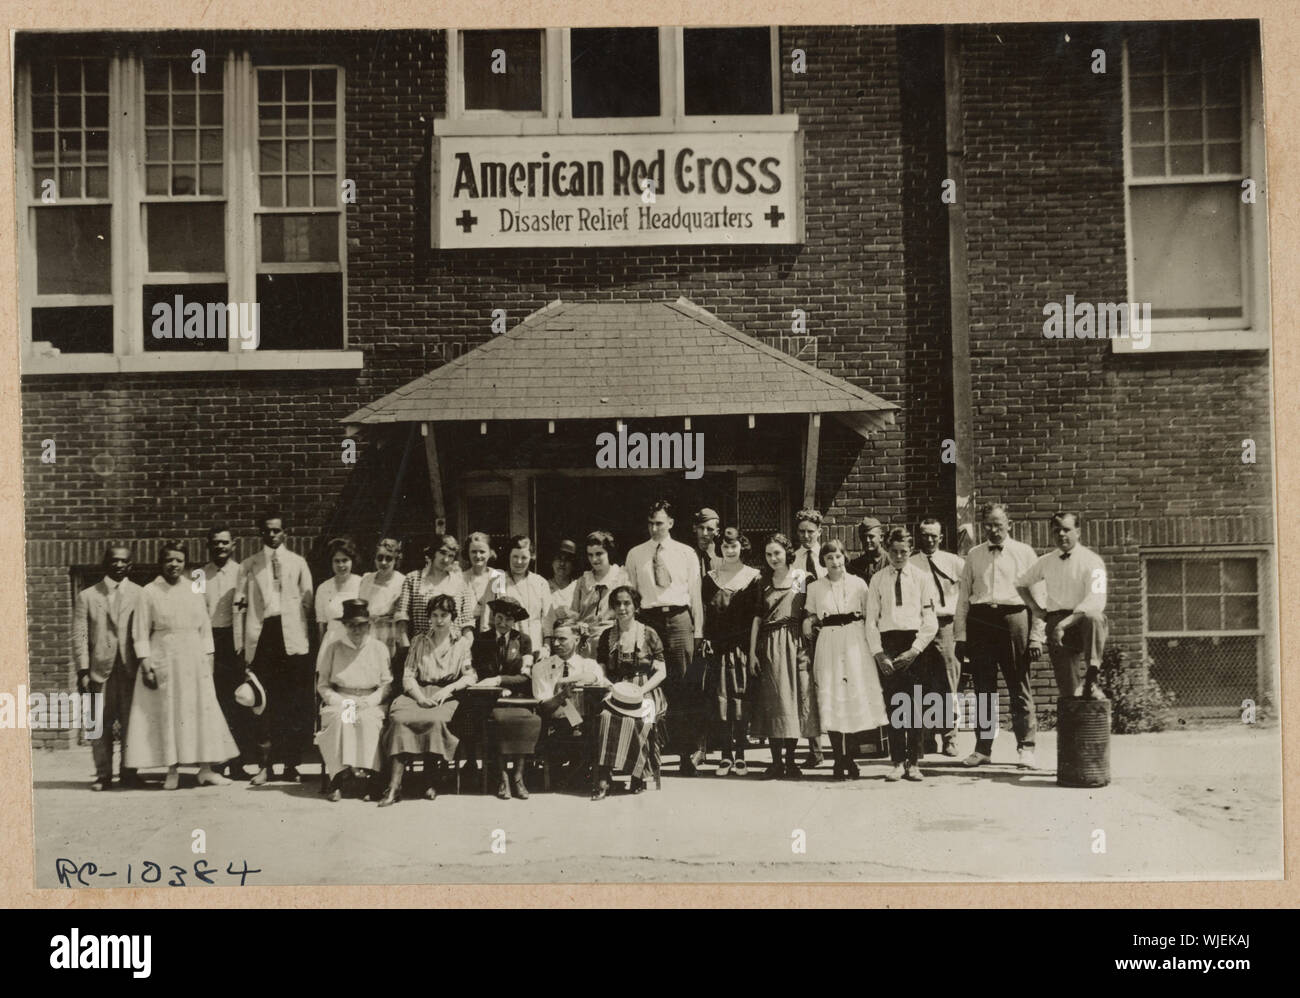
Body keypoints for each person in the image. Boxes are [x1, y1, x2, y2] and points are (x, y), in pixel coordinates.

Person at [125, 540, 239, 789]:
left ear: (185, 563)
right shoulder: (149, 591)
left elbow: (205, 628)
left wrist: (208, 660)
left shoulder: (195, 589)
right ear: (161, 563)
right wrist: (145, 664)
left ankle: (205, 769)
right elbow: (140, 632)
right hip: (163, 657)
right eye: (168, 560)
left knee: (199, 712)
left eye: (178, 560)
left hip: (194, 659)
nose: (173, 565)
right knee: (170, 712)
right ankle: (172, 769)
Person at [954, 502, 1045, 769]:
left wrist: (1037, 636)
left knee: (1019, 685)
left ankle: (1026, 748)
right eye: (988, 525)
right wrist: (961, 635)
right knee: (984, 687)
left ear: (1009, 525)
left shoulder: (1025, 553)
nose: (993, 530)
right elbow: (963, 599)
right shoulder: (974, 554)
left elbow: (1039, 597)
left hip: (1014, 620)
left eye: (998, 524)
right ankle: (983, 749)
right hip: (981, 621)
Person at [625, 499, 705, 775]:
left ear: (670, 523)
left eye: (659, 523)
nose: (654, 528)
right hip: (649, 620)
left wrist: (698, 632)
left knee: (683, 686)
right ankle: (647, 757)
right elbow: (632, 596)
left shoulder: (686, 553)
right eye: (650, 523)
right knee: (648, 685)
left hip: (680, 619)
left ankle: (686, 754)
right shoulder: (636, 554)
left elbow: (695, 596)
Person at [234, 511, 314, 785]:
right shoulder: (249, 565)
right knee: (262, 704)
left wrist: (305, 640)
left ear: (285, 533)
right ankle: (265, 765)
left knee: (293, 703)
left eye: (277, 530)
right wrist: (241, 646)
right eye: (267, 530)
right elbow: (240, 608)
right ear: (261, 534)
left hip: (292, 637)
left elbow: (308, 605)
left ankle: (291, 764)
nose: (272, 535)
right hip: (263, 636)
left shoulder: (298, 563)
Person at [378, 593, 477, 806]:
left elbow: (470, 676)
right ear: (429, 617)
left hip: (444, 695)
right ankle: (394, 786)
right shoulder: (418, 641)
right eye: (434, 615)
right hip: (416, 692)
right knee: (400, 720)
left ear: (453, 617)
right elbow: (408, 676)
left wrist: (448, 690)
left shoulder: (461, 644)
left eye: (444, 615)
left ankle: (430, 780)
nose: (439, 620)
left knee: (436, 720)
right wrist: (420, 697)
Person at [804, 539, 890, 780]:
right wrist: (807, 621)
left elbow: (871, 614)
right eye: (829, 558)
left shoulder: (859, 584)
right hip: (829, 640)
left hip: (854, 640)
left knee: (852, 699)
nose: (834, 562)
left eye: (838, 557)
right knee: (832, 698)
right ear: (823, 561)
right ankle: (838, 759)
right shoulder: (815, 587)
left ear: (845, 558)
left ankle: (849, 757)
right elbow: (810, 613)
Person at [865, 527, 941, 782]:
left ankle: (915, 762)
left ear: (911, 551)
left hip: (915, 645)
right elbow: (871, 621)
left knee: (916, 705)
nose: (898, 556)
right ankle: (897, 761)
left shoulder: (921, 578)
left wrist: (915, 650)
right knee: (896, 704)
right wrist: (879, 653)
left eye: (904, 552)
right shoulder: (877, 579)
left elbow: (931, 621)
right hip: (889, 645)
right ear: (887, 549)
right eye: (894, 551)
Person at [1015, 511, 1109, 702]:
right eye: (1056, 530)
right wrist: (1036, 609)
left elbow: (1096, 600)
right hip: (1056, 621)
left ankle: (1092, 673)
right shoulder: (1046, 561)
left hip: (1082, 621)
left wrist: (1063, 625)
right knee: (1069, 692)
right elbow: (1021, 583)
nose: (1061, 534)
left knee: (1095, 617)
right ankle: (1074, 721)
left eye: (1066, 529)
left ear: (1078, 532)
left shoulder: (1092, 560)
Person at [73, 543, 143, 791]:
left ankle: (129, 772)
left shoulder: (140, 594)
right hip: (98, 671)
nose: (119, 565)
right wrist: (82, 671)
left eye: (124, 561)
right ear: (106, 564)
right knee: (97, 724)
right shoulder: (88, 596)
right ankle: (103, 775)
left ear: (130, 565)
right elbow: (80, 636)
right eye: (114, 560)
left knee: (130, 723)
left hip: (130, 670)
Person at [747, 533, 818, 779]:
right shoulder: (762, 581)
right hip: (770, 646)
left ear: (787, 552)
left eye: (777, 552)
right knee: (774, 702)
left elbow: (811, 610)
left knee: (795, 702)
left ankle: (791, 761)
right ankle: (776, 762)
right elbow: (756, 619)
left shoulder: (802, 578)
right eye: (768, 554)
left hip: (796, 642)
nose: (773, 558)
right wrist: (752, 653)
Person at [592, 586, 668, 800]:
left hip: (646, 688)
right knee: (606, 717)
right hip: (617, 688)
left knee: (640, 719)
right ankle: (604, 778)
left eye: (627, 603)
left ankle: (638, 775)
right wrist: (607, 683)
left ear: (635, 606)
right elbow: (601, 668)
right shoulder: (608, 635)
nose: (622, 608)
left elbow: (661, 671)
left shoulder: (648, 633)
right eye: (618, 604)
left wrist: (642, 690)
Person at [471, 595, 542, 800]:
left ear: (515, 621)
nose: (503, 623)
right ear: (493, 617)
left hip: (517, 697)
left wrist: (501, 680)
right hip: (490, 699)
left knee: (527, 721)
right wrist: (494, 686)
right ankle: (503, 777)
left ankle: (518, 776)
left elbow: (525, 675)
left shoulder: (524, 641)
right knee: (499, 721)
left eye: (508, 620)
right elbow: (479, 672)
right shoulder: (481, 640)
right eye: (499, 617)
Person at [701, 527, 759, 776]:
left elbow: (757, 616)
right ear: (720, 548)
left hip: (743, 649)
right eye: (725, 546)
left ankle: (741, 754)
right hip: (719, 649)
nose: (730, 550)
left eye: (734, 545)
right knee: (721, 701)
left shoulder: (752, 576)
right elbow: (705, 612)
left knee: (741, 700)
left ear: (741, 547)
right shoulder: (710, 577)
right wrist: (706, 638)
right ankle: (725, 755)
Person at [200, 526, 254, 779]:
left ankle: (239, 762)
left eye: (224, 543)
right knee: (214, 703)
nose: (220, 547)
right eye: (215, 543)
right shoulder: (199, 575)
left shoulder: (242, 572)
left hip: (235, 641)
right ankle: (217, 761)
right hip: (209, 642)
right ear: (208, 545)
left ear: (234, 544)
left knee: (239, 702)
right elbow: (194, 610)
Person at [910, 517, 965, 757]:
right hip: (919, 625)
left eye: (934, 535)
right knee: (921, 681)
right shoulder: (911, 563)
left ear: (941, 537)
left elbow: (966, 595)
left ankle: (950, 737)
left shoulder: (954, 563)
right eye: (925, 535)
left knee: (948, 681)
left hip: (945, 625)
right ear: (918, 536)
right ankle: (926, 737)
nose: (929, 539)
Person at [532, 613, 607, 782]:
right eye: (554, 639)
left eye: (562, 639)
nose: (556, 644)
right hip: (554, 726)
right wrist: (562, 695)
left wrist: (566, 681)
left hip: (585, 724)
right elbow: (544, 706)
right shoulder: (541, 668)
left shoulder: (588, 664)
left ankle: (583, 772)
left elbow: (595, 678)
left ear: (577, 639)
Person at [793, 508, 828, 768]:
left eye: (810, 531)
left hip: (829, 628)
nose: (806, 536)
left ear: (820, 531)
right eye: (802, 532)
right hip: (804, 631)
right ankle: (815, 750)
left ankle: (844, 749)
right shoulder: (794, 560)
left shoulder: (829, 558)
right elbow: (797, 599)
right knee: (807, 688)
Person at [396, 534, 476, 644]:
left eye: (451, 555)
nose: (446, 559)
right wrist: (406, 646)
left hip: (453, 648)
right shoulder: (413, 579)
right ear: (433, 552)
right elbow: (402, 617)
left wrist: (465, 648)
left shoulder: (460, 582)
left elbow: (467, 622)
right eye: (442, 553)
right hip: (422, 648)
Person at [480, 535, 551, 653]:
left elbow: (547, 620)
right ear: (509, 556)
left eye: (524, 557)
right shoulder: (498, 580)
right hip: (505, 649)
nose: (519, 562)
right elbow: (486, 620)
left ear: (531, 557)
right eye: (515, 556)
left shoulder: (540, 583)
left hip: (535, 648)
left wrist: (546, 647)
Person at [570, 530, 627, 658]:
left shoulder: (621, 578)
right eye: (590, 555)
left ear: (609, 553)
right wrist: (578, 624)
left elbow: (630, 612)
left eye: (599, 554)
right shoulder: (583, 581)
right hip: (586, 643)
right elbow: (574, 613)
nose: (594, 559)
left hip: (613, 641)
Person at [357, 537, 406, 659]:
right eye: (380, 558)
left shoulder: (402, 582)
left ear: (396, 560)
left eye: (388, 558)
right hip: (366, 633)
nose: (383, 562)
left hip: (389, 634)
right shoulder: (366, 579)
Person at [315, 537, 361, 644]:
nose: (341, 565)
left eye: (345, 560)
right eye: (337, 561)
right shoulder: (323, 588)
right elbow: (321, 624)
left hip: (356, 641)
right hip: (331, 641)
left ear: (352, 561)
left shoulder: (362, 583)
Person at [462, 531, 505, 632]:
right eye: (473, 551)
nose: (478, 555)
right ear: (468, 553)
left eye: (482, 551)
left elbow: (501, 608)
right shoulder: (461, 577)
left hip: (491, 631)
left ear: (490, 552)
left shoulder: (498, 576)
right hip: (466, 630)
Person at [541, 539, 579, 647]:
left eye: (567, 560)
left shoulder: (578, 586)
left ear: (573, 564)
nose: (562, 563)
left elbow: (586, 616)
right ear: (552, 562)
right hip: (550, 643)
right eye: (558, 559)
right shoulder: (543, 585)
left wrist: (572, 615)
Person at [847, 516, 887, 582]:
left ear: (881, 537)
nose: (867, 540)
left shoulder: (891, 562)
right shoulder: (855, 565)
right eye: (863, 537)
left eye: (871, 536)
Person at [692, 507, 722, 579]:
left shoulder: (723, 557)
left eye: (709, 529)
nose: (705, 533)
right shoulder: (688, 556)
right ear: (694, 528)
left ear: (717, 532)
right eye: (701, 528)